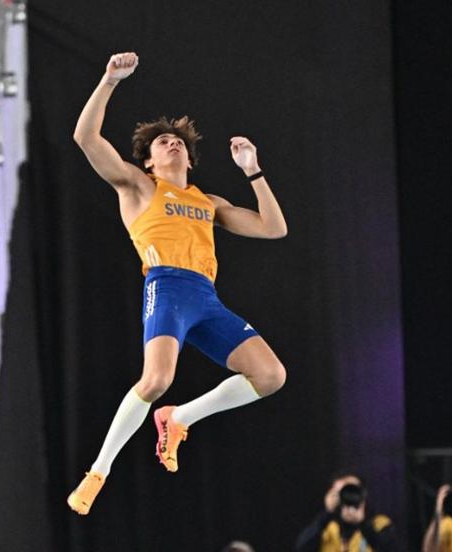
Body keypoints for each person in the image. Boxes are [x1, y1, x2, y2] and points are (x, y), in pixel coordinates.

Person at [66, 52, 287, 515]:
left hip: (205, 298)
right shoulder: (138, 186)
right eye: (162, 142)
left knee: (270, 376)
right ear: (148, 161)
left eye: (177, 141)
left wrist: (253, 170)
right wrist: (109, 81)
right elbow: (85, 137)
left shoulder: (208, 201)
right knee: (157, 380)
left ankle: (179, 419)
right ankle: (98, 472)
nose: (172, 144)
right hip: (165, 287)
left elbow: (273, 227)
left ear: (189, 155)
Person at [295, 473, 395, 551]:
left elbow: (385, 547)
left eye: (352, 490)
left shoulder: (379, 524)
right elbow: (302, 547)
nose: (347, 495)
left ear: (363, 494)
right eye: (341, 492)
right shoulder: (324, 526)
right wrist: (328, 513)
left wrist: (363, 524)